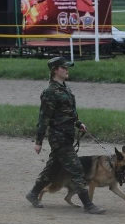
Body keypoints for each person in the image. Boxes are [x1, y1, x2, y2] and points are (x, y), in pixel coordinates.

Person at [25, 57, 106, 214]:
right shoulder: (50, 92)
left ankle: (33, 193)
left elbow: (68, 113)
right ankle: (88, 205)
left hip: (67, 135)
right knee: (77, 170)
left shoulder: (65, 89)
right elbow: (44, 118)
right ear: (55, 70)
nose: (67, 69)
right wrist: (38, 141)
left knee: (53, 169)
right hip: (58, 137)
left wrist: (78, 123)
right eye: (64, 67)